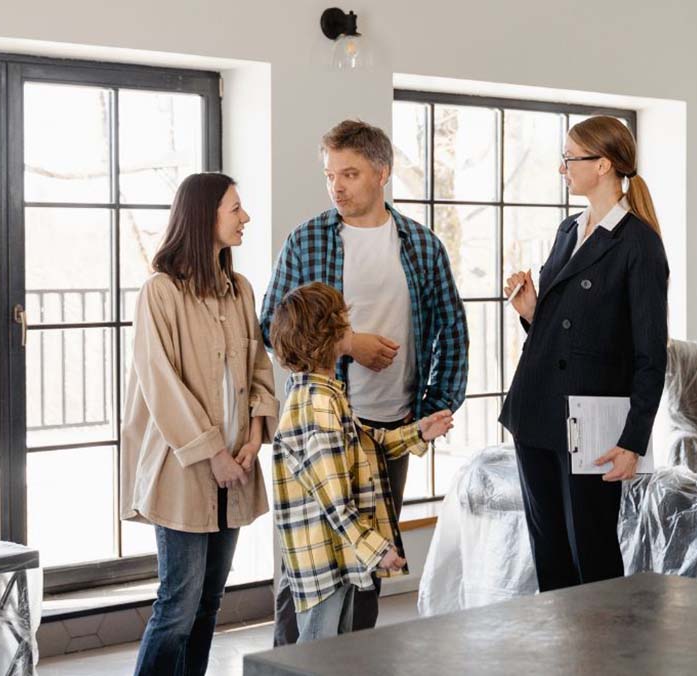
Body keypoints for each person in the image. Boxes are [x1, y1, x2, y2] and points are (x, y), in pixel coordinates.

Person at [260, 119, 468, 642]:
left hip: (391, 429)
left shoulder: (422, 247)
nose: (337, 186)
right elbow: (271, 324)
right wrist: (351, 343)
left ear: (382, 172)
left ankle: (357, 662)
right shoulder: (306, 240)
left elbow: (453, 330)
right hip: (325, 422)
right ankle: (289, 662)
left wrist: (434, 407)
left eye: (349, 173)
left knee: (369, 567)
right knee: (304, 570)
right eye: (331, 174)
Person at [500, 116, 669, 591]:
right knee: (548, 552)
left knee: (591, 555)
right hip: (535, 410)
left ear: (603, 165)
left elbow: (651, 354)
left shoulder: (639, 244)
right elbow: (565, 330)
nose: (562, 169)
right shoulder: (568, 229)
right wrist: (531, 311)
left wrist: (634, 441)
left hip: (591, 422)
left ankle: (607, 661)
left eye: (571, 159)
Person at [120, 173, 279, 675]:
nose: (245, 217)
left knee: (210, 601)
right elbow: (161, 384)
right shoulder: (159, 293)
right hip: (184, 470)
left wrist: (253, 438)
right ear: (203, 215)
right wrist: (213, 453)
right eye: (235, 208)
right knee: (178, 605)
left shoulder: (241, 290)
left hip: (237, 465)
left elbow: (258, 369)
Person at [270, 281, 454, 643]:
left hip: (334, 556)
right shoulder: (317, 407)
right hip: (324, 563)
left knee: (334, 651)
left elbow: (365, 442)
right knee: (318, 656)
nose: (349, 323)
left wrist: (417, 432)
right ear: (328, 333)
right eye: (342, 317)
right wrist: (376, 549)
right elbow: (335, 501)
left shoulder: (320, 394)